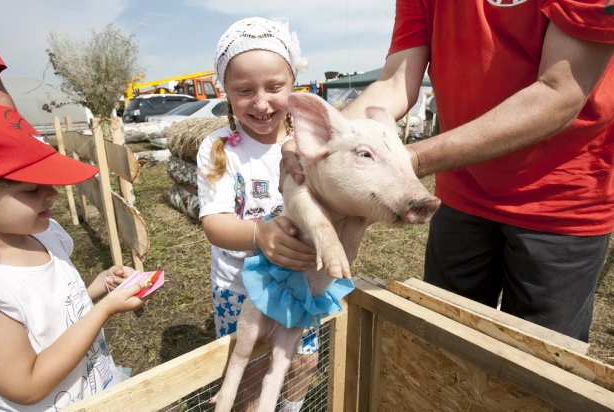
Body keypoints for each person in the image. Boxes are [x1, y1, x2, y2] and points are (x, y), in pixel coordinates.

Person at [283, 1, 614, 343]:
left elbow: (559, 92)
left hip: (563, 198)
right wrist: (329, 140)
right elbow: (397, 79)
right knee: (446, 342)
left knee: (542, 359)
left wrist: (402, 160)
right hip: (462, 190)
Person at [197, 17, 318, 411]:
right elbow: (215, 224)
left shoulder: (312, 141)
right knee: (249, 368)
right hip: (239, 287)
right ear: (224, 91)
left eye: (274, 87)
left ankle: (291, 407)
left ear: (293, 83)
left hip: (301, 283)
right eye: (244, 90)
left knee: (302, 359)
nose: (262, 102)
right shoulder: (219, 148)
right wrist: (259, 235)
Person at [0, 105, 148, 411]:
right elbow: (26, 386)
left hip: (95, 391)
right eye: (31, 189)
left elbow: (59, 297)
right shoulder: (1, 290)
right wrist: (103, 311)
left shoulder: (46, 235)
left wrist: (102, 284)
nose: (51, 193)